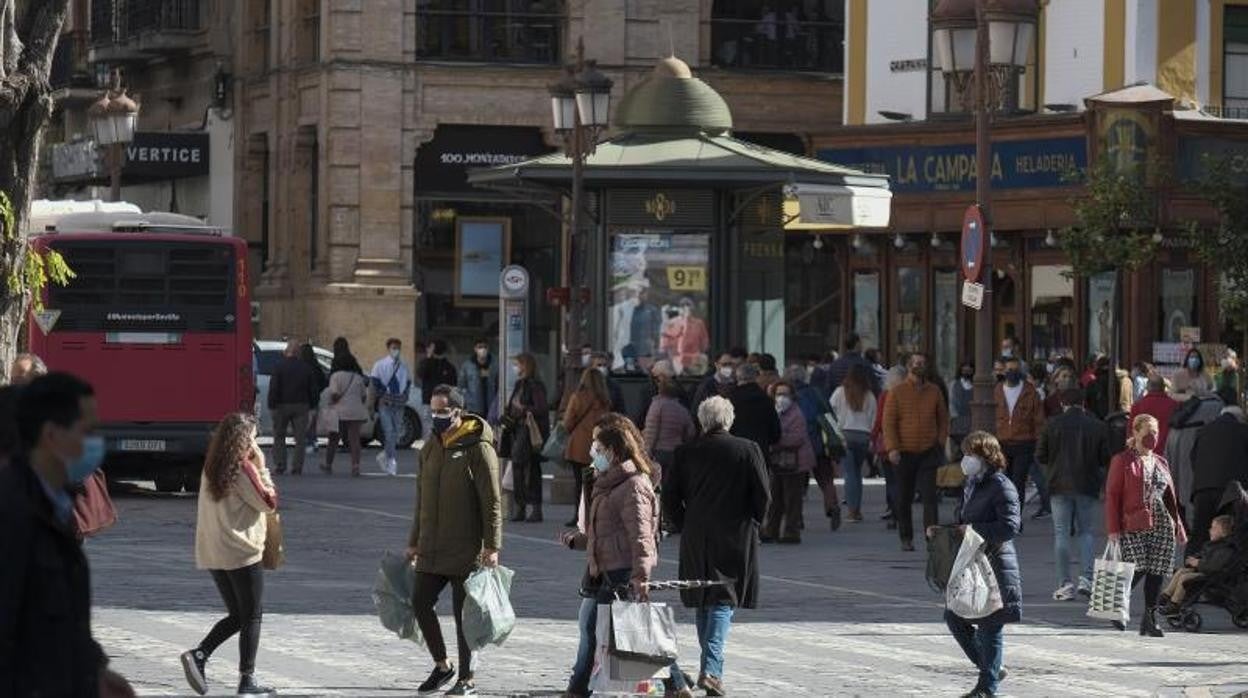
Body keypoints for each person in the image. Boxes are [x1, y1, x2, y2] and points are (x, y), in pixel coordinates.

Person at [0, 373, 134, 697]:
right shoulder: (13, 513)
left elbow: (63, 620)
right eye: (86, 431)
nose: (95, 443)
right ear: (51, 435)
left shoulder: (54, 506)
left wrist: (96, 671)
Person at [560, 414, 681, 697]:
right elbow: (604, 528)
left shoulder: (634, 484)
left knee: (621, 629)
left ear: (613, 451)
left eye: (598, 449)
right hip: (604, 567)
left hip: (622, 569)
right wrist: (579, 541)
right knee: (625, 629)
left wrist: (641, 575)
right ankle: (676, 684)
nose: (593, 454)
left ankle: (578, 689)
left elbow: (642, 536)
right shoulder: (608, 481)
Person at [665, 397, 770, 697]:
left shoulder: (686, 452)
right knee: (722, 599)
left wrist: (685, 522)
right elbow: (762, 494)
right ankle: (711, 670)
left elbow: (670, 497)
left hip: (697, 534)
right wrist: (755, 521)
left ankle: (710, 668)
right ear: (728, 420)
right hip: (735, 533)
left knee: (703, 596)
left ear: (702, 421)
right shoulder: (747, 449)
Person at [405, 385, 501, 697]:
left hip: (466, 547)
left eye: (443, 411)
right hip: (432, 545)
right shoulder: (430, 447)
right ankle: (442, 666)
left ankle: (467, 678)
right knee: (420, 601)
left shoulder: (478, 448)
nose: (436, 416)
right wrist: (414, 539)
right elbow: (420, 497)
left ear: (458, 412)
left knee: (465, 617)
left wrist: (492, 546)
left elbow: (492, 501)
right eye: (432, 410)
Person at [182, 412, 278, 696]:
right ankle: (247, 680)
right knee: (252, 615)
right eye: (253, 438)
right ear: (244, 440)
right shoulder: (243, 467)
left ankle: (200, 656)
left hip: (215, 549)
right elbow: (268, 502)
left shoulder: (212, 465)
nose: (255, 443)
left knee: (238, 614)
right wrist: (262, 467)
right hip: (241, 550)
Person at [939, 431, 1021, 698]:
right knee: (954, 616)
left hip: (995, 564)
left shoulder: (1001, 485)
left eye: (970, 454)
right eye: (964, 453)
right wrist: (944, 531)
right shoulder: (972, 483)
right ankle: (991, 668)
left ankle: (987, 688)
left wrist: (971, 529)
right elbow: (965, 521)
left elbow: (1009, 527)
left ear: (985, 456)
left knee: (990, 624)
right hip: (973, 563)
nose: (966, 460)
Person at [1105, 414, 1187, 636]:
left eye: (1156, 432)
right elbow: (1112, 496)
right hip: (1133, 521)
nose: (1153, 436)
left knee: (1157, 570)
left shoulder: (1161, 462)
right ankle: (1117, 605)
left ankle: (1150, 620)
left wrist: (1178, 526)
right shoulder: (1122, 460)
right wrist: (1113, 529)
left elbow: (1170, 497)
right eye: (1148, 432)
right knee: (1137, 566)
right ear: (1135, 432)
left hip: (1161, 523)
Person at [1036, 386, 1111, 601]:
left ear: (1062, 404)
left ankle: (1065, 584)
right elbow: (1105, 458)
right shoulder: (1097, 426)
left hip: (1059, 484)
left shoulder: (1052, 425)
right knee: (1086, 532)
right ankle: (1086, 579)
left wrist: (1051, 470)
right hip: (1087, 484)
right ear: (1084, 403)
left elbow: (1041, 455)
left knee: (1061, 533)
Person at [883, 352, 949, 551]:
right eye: (915, 363)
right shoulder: (897, 391)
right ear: (909, 367)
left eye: (922, 362)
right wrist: (893, 448)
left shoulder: (934, 391)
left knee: (930, 498)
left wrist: (940, 441)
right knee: (904, 497)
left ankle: (932, 538)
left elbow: (943, 419)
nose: (919, 365)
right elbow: (889, 422)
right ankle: (906, 537)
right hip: (904, 452)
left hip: (928, 451)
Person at [1186, 405, 1248, 556]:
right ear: (1240, 418)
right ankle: (1222, 567)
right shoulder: (1244, 430)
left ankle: (1190, 565)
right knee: (1230, 532)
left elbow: (1193, 458)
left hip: (1203, 489)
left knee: (1200, 531)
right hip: (1231, 491)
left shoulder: (1203, 431)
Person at [995, 355, 1050, 521]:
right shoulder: (996, 390)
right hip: (1002, 442)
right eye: (1009, 370)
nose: (1012, 372)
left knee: (1018, 481)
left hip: (1024, 442)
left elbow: (1039, 420)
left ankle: (1014, 518)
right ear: (1004, 371)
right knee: (1003, 481)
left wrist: (1039, 442)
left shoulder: (1030, 391)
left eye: (1015, 369)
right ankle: (1005, 514)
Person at [788, 364, 840, 529]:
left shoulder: (787, 396)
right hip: (818, 442)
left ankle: (798, 517)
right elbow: (830, 416)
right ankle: (832, 506)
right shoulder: (816, 393)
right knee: (826, 478)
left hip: (797, 445)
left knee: (797, 483)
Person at [763, 381, 814, 543]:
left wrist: (774, 441)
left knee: (792, 499)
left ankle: (791, 532)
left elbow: (797, 438)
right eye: (778, 394)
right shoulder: (775, 412)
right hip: (779, 462)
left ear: (792, 396)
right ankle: (771, 530)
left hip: (795, 462)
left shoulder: (796, 414)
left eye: (785, 394)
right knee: (775, 498)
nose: (782, 398)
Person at [501, 352, 549, 523]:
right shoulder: (519, 384)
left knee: (528, 469)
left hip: (528, 432)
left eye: (518, 364)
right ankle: (521, 507)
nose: (516, 367)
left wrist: (522, 408)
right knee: (518, 468)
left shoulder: (535, 385)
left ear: (526, 366)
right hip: (517, 430)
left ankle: (533, 508)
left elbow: (541, 408)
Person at [562, 368, 612, 526]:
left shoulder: (577, 397)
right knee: (597, 482)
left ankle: (579, 515)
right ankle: (595, 515)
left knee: (580, 483)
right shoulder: (605, 400)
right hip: (599, 447)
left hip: (578, 446)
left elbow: (568, 423)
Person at [1160, 515, 1237, 613]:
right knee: (1181, 571)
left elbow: (1214, 566)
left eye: (1214, 528)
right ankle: (1166, 595)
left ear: (1223, 532)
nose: (1210, 530)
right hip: (1204, 570)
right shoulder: (1213, 545)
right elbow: (1203, 555)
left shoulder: (1225, 549)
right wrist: (1194, 559)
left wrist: (1198, 563)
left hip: (1212, 575)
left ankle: (1175, 603)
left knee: (1185, 578)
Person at [830, 364, 877, 524]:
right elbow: (874, 418)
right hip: (863, 437)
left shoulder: (839, 392)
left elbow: (830, 412)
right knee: (857, 473)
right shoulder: (869, 395)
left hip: (845, 435)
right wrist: (871, 438)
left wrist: (835, 435)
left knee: (849, 474)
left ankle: (852, 511)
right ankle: (857, 510)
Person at [1165, 389, 1224, 515]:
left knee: (1179, 484)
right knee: (1189, 484)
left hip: (1175, 438)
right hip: (1190, 441)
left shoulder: (1197, 405)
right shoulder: (1218, 406)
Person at [267, 340, 318, 475]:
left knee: (279, 436)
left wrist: (272, 405)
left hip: (281, 405)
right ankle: (297, 467)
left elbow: (274, 388)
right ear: (299, 353)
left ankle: (280, 464)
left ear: (286, 352)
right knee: (300, 438)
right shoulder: (306, 368)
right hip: (301, 405)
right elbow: (313, 389)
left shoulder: (278, 367)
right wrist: (313, 406)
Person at [323, 338, 369, 476]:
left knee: (333, 439)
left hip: (339, 412)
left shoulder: (335, 376)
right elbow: (363, 397)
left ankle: (328, 464)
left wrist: (331, 402)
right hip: (356, 412)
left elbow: (335, 394)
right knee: (354, 440)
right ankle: (355, 466)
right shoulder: (358, 377)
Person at [371, 338, 412, 476]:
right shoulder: (380, 364)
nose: (396, 350)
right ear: (388, 348)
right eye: (394, 348)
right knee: (389, 431)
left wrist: (405, 395)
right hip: (386, 403)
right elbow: (375, 382)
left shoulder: (404, 365)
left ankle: (386, 455)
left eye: (398, 348)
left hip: (399, 403)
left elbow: (407, 382)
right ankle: (391, 460)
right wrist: (383, 395)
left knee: (396, 433)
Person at [643, 373, 696, 474]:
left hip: (658, 452)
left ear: (660, 390)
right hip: (676, 452)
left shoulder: (657, 406)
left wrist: (648, 451)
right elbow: (691, 432)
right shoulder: (682, 409)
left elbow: (652, 431)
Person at [728, 362, 782, 460]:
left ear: (737, 377)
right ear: (756, 377)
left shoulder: (729, 400)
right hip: (760, 452)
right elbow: (775, 433)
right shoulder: (766, 400)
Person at [1129, 374, 1178, 455]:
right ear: (1163, 387)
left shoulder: (1138, 406)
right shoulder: (1174, 406)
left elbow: (1131, 432)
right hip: (1167, 452)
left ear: (1148, 387)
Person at [419, 340, 458, 438]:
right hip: (428, 402)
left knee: (443, 431)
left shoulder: (448, 366)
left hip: (443, 404)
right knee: (429, 431)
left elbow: (453, 385)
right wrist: (428, 357)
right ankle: (429, 451)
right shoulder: (427, 363)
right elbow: (421, 373)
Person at [458, 338, 499, 419]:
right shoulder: (468, 365)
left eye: (485, 347)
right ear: (475, 349)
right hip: (474, 407)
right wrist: (467, 400)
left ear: (488, 348)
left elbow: (499, 383)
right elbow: (461, 385)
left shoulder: (495, 364)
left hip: (492, 406)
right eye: (480, 347)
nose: (483, 350)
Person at [691, 350, 742, 414]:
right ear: (716, 365)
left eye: (730, 364)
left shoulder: (738, 384)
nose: (728, 367)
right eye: (724, 364)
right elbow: (696, 410)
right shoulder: (707, 385)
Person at [300, 343, 328, 457]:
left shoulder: (301, 366)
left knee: (303, 423)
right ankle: (312, 442)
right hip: (314, 399)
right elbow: (324, 382)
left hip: (301, 399)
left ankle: (306, 443)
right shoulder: (316, 367)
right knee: (312, 423)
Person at [949, 362, 974, 457]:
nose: (967, 372)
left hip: (972, 421)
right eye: (964, 370)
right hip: (957, 423)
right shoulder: (954, 384)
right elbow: (951, 403)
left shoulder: (976, 384)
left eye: (969, 370)